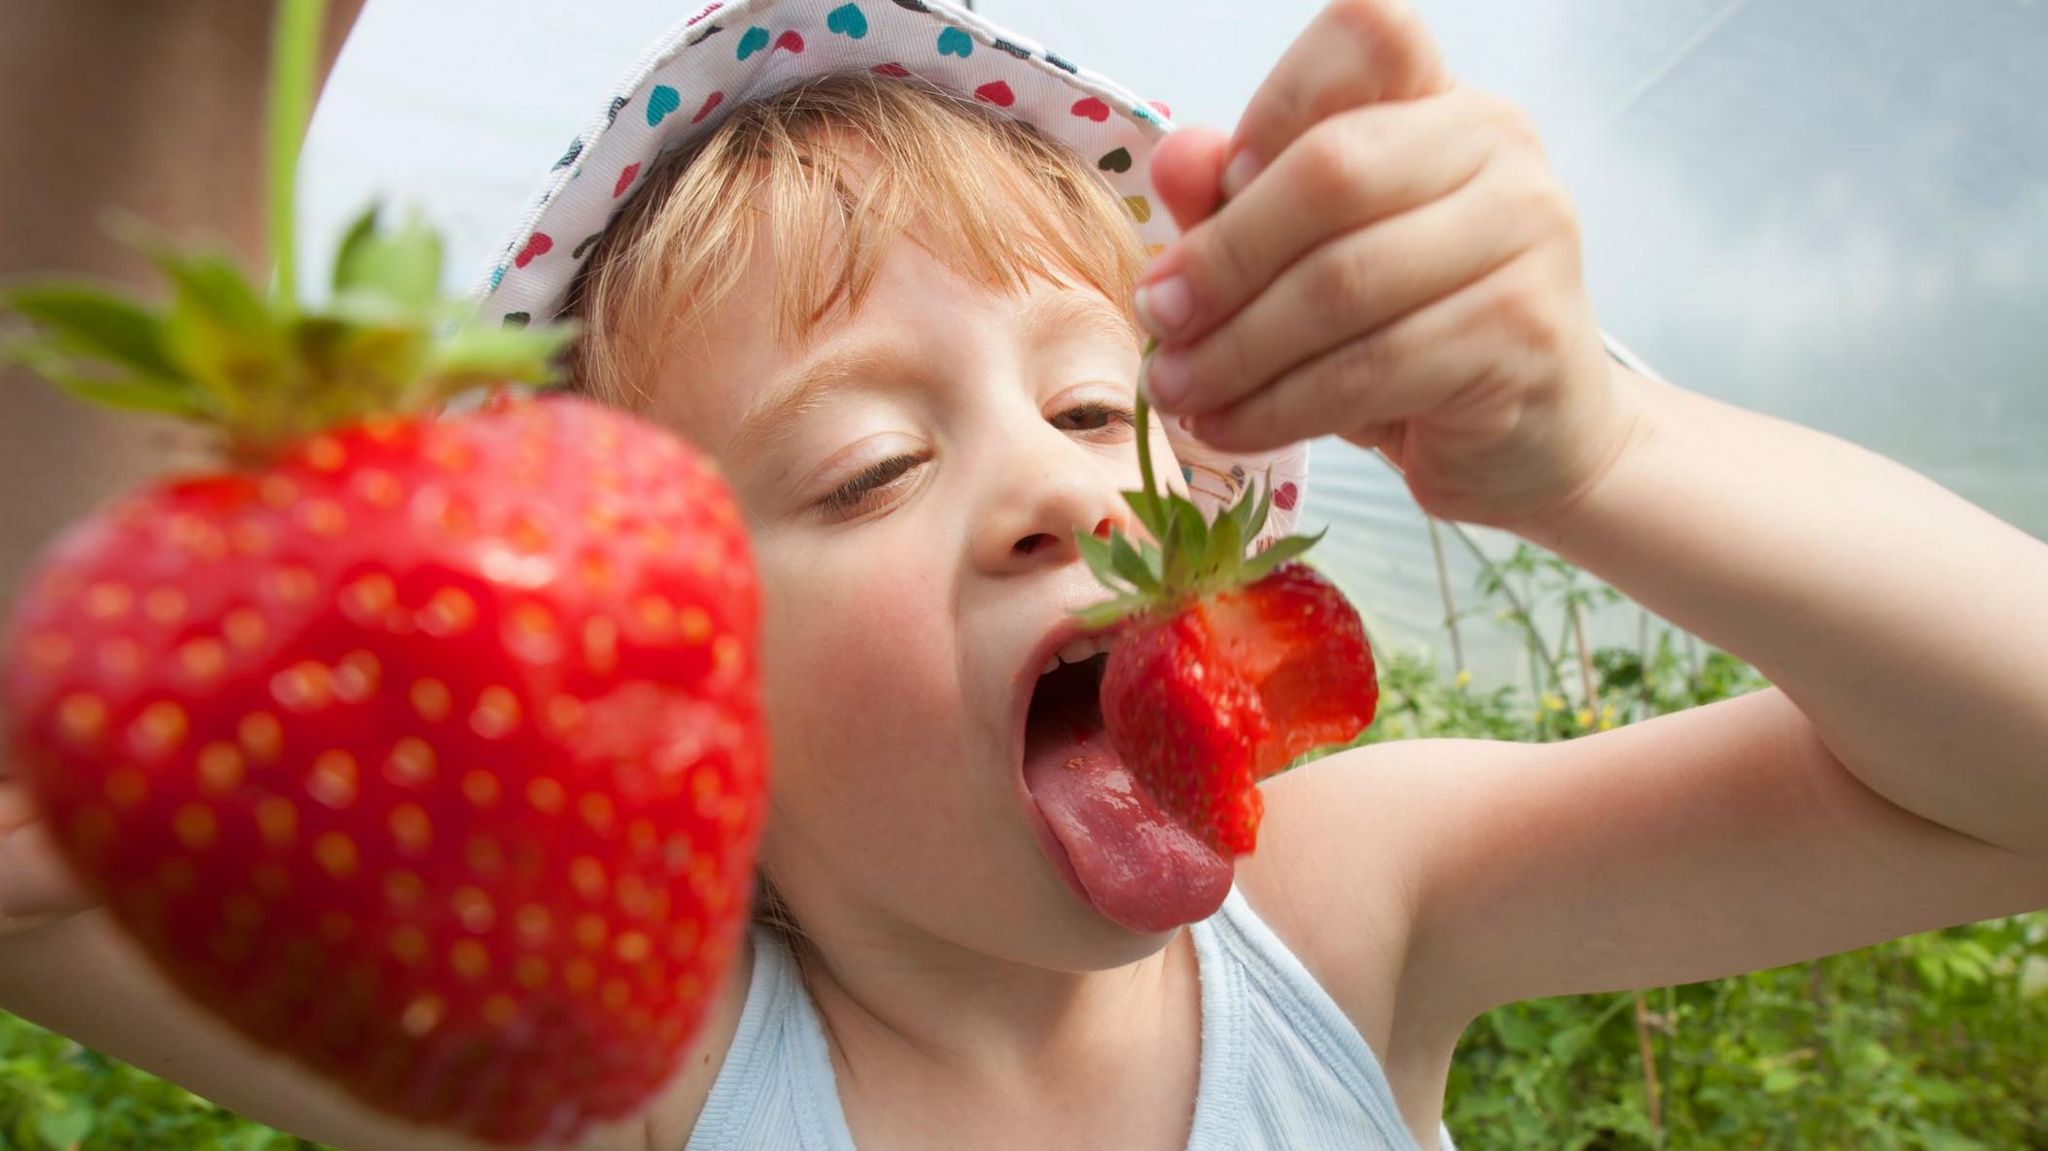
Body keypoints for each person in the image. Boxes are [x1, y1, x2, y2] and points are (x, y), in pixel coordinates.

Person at [4, 2, 2047, 1149]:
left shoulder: (1348, 915)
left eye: (1097, 408)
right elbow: (45, 816)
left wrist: (1607, 455)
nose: (1051, 493)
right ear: (681, 701)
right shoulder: (638, 1078)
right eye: (868, 462)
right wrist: (147, 59)